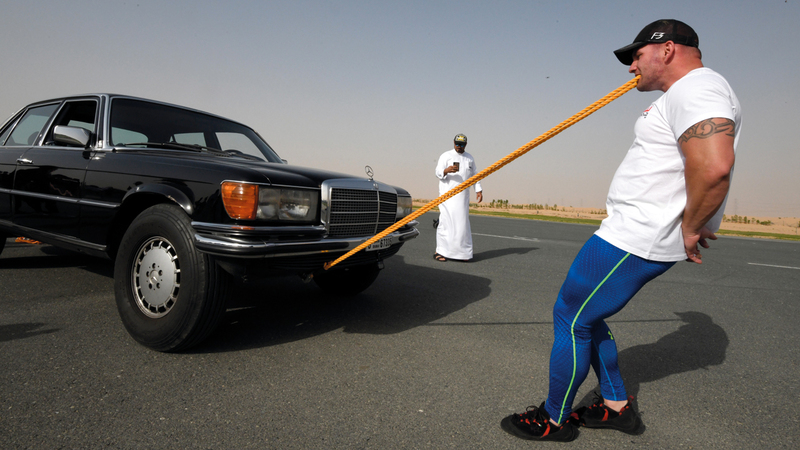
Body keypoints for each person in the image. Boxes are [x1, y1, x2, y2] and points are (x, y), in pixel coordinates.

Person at [501, 19, 741, 442]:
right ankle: (616, 408)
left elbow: (716, 166)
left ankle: (553, 420)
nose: (632, 66)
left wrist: (690, 226)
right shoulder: (687, 93)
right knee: (587, 317)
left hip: (639, 234)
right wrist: (694, 218)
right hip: (633, 230)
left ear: (666, 50)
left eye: (636, 55)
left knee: (571, 317)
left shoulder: (697, 88)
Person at [434, 133, 483, 262]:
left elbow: (475, 176)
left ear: (465, 145)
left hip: (462, 198)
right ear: (453, 143)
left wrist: (478, 190)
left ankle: (462, 254)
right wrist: (446, 170)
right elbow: (437, 172)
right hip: (447, 196)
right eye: (457, 144)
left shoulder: (469, 158)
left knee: (462, 225)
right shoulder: (446, 156)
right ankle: (440, 252)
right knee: (445, 224)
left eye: (461, 144)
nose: (459, 146)